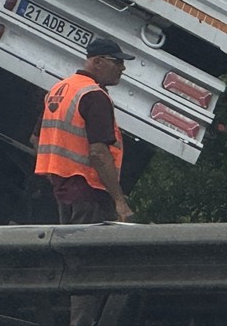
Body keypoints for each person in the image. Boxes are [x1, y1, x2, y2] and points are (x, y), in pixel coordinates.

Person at [35, 35, 136, 326]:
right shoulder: (93, 96)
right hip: (89, 191)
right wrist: (119, 201)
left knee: (75, 261)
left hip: (64, 189)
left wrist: (60, 176)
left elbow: (36, 138)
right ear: (97, 61)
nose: (122, 69)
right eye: (117, 62)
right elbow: (99, 153)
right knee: (85, 265)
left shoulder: (59, 89)